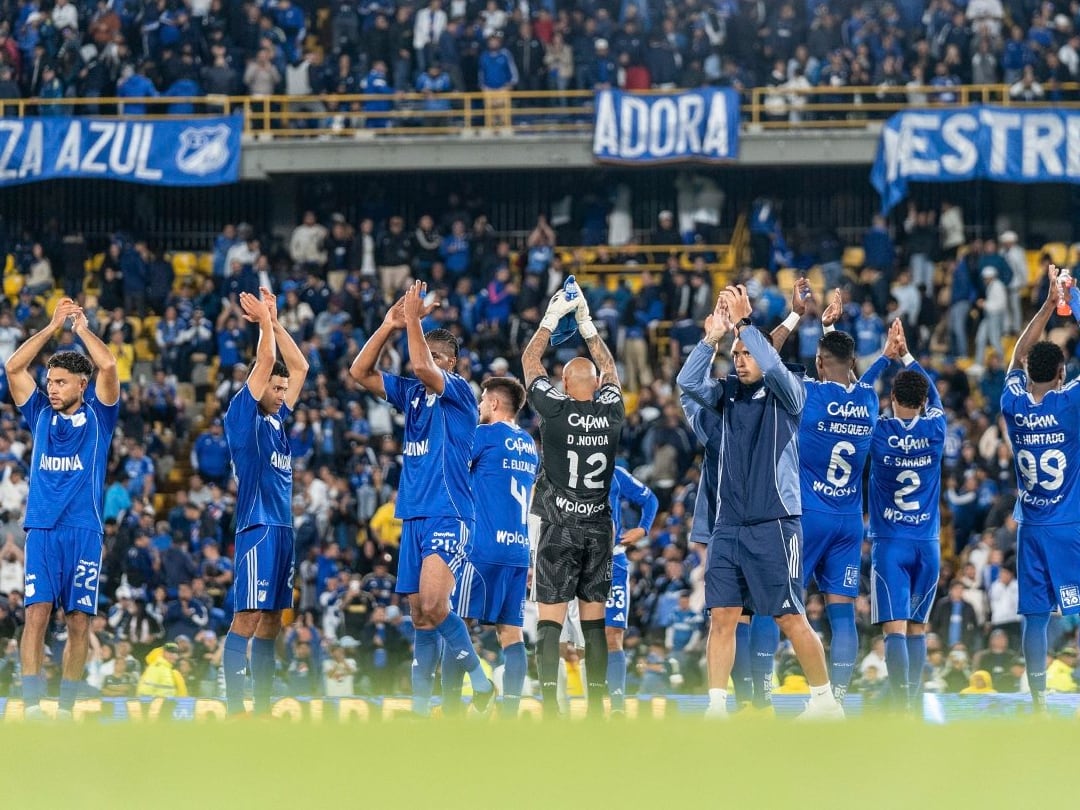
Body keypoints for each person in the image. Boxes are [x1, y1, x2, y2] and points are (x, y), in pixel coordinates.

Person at [677, 288, 843, 720]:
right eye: (735, 353)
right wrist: (711, 338)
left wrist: (748, 326)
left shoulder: (789, 393)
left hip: (775, 521)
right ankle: (717, 708)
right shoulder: (727, 393)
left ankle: (825, 702)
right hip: (728, 525)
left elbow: (769, 359)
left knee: (789, 615)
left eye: (746, 352)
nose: (740, 358)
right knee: (723, 616)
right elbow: (687, 383)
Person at [350, 280, 494, 716]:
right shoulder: (412, 394)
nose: (433, 363)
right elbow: (359, 373)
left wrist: (412, 319)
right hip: (411, 513)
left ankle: (480, 680)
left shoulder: (460, 392)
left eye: (442, 358)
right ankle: (419, 709)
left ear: (454, 364)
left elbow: (420, 364)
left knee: (435, 604)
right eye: (433, 355)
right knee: (419, 618)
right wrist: (389, 324)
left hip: (449, 511)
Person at [771, 285, 902, 702]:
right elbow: (854, 374)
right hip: (849, 520)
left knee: (776, 605)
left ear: (819, 363)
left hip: (808, 514)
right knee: (842, 613)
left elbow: (765, 356)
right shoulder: (867, 398)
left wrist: (801, 318)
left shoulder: (808, 392)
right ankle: (838, 700)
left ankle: (757, 695)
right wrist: (875, 349)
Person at [6, 297, 120, 718]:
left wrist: (81, 330)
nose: (51, 388)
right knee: (35, 614)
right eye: (50, 382)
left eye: (59, 382)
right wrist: (52, 327)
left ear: (80, 385)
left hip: (85, 530)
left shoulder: (100, 418)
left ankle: (68, 711)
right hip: (42, 529)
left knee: (78, 622)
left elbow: (107, 367)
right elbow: (14, 368)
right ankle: (34, 707)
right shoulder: (38, 414)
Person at [522, 281, 625, 718]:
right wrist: (585, 323)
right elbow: (611, 370)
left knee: (549, 620)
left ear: (563, 382)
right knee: (595, 621)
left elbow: (529, 362)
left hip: (560, 528)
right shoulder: (612, 410)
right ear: (597, 385)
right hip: (599, 527)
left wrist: (552, 318)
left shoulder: (555, 412)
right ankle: (598, 705)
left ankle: (549, 705)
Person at [222, 287, 310, 716]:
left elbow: (301, 365)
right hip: (256, 526)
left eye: (283, 389)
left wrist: (275, 321)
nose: (281, 393)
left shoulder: (277, 421)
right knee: (249, 618)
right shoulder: (243, 415)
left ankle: (260, 708)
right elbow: (265, 362)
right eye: (276, 388)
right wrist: (262, 325)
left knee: (273, 621)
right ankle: (237, 709)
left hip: (283, 529)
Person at [1000, 264, 1080, 712]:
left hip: (1030, 523)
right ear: (1063, 373)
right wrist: (1074, 301)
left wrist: (1050, 305)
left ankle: (1039, 701)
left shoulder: (1012, 401)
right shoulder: (1070, 402)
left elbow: (1017, 357)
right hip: (1069, 522)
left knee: (1035, 617)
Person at [442, 377, 538, 718]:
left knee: (454, 621)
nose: (480, 406)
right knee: (510, 633)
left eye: (483, 400)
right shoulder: (529, 444)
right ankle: (509, 714)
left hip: (483, 547)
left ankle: (452, 707)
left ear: (495, 404)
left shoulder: (483, 435)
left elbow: (452, 467)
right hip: (518, 551)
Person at [867, 325, 945, 710]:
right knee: (918, 628)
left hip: (890, 544)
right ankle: (912, 707)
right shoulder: (936, 427)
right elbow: (936, 394)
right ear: (925, 400)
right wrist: (908, 355)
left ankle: (902, 710)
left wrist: (887, 356)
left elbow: (860, 397)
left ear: (893, 397)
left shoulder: (877, 431)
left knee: (894, 628)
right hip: (927, 545)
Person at [605, 466, 658, 715]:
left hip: (613, 561)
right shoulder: (566, 464)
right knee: (573, 642)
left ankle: (616, 708)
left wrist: (643, 528)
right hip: (575, 561)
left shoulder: (615, 473)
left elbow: (650, 499)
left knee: (612, 635)